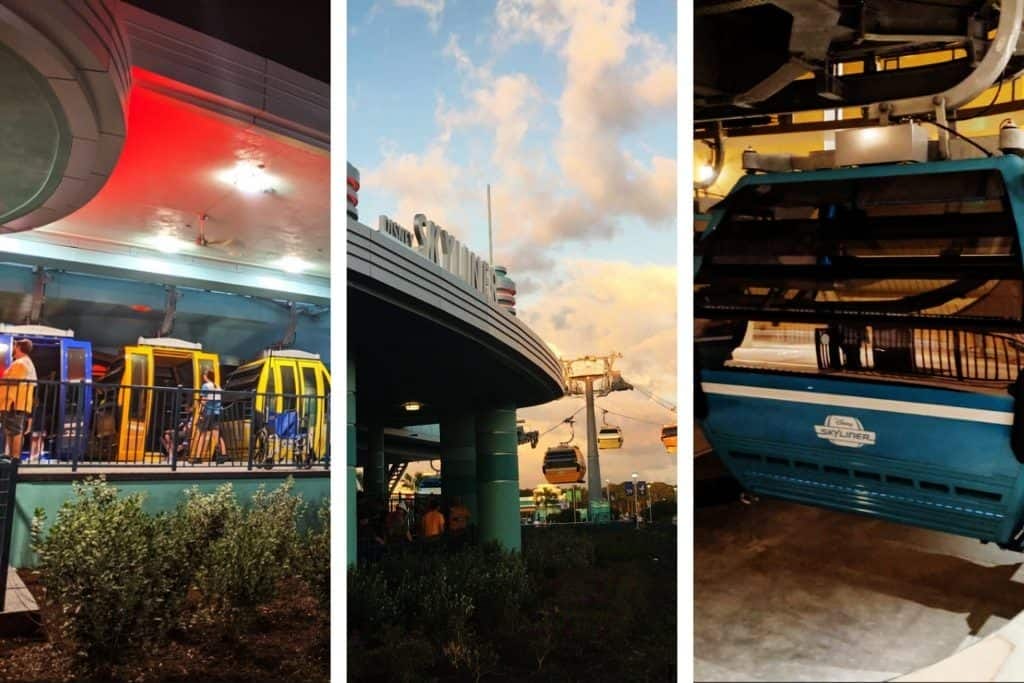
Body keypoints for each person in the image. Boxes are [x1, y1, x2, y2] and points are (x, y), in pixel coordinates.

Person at [0, 339, 36, 462]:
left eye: (15, 345)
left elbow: (12, 381)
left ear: (19, 347)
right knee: (11, 430)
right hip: (14, 402)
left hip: (13, 402)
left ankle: (15, 457)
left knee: (15, 430)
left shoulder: (20, 363)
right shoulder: (23, 362)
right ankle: (12, 455)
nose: (13, 348)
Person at [195, 369, 227, 463]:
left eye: (203, 375)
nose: (203, 377)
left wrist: (200, 413)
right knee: (217, 435)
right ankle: (222, 455)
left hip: (208, 412)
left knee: (202, 434)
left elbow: (204, 400)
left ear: (206, 376)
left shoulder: (205, 386)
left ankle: (198, 457)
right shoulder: (218, 386)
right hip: (217, 413)